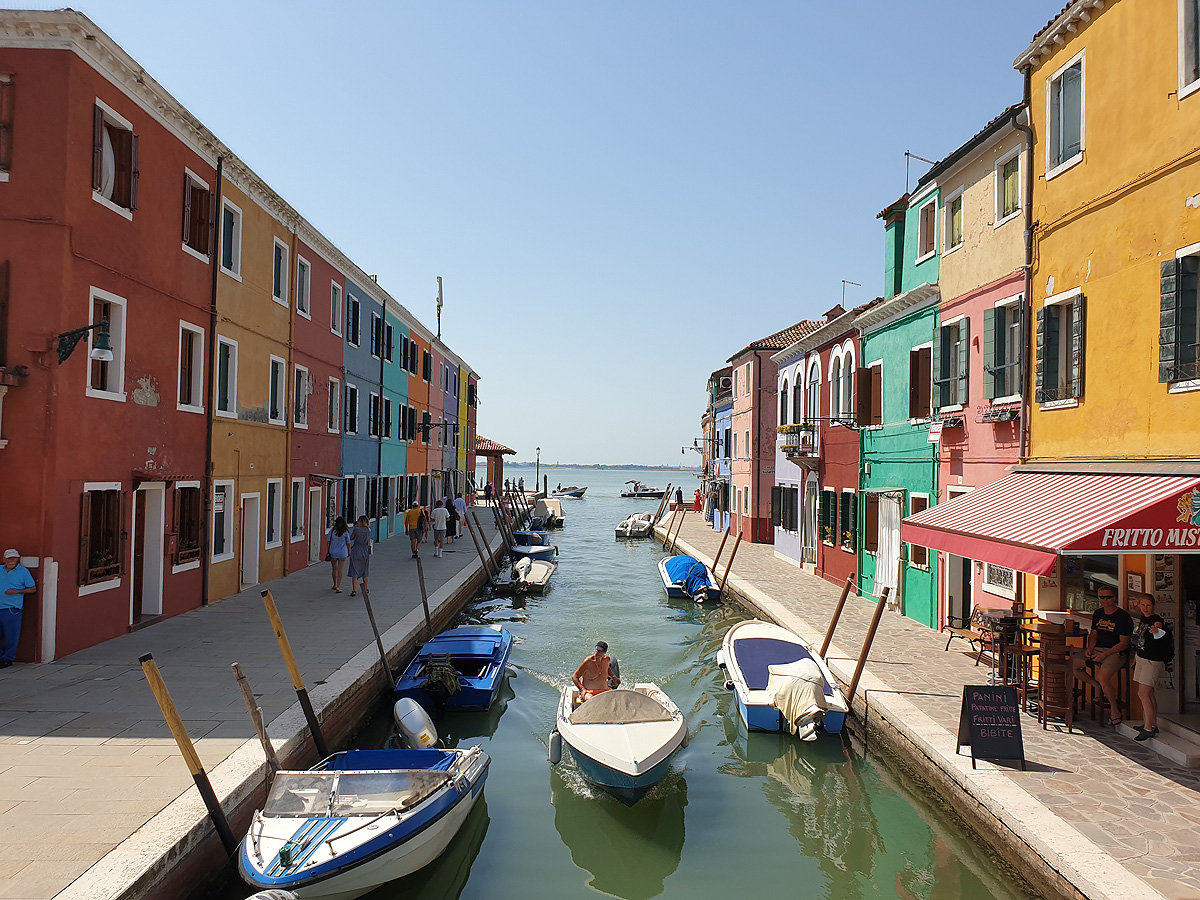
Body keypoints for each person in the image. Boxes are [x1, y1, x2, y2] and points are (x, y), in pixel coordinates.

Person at [1073, 586, 1134, 725]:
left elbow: (1124, 643)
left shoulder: (1123, 617)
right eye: (1102, 597)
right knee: (1073, 664)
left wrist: (1105, 655)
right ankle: (1097, 687)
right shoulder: (1098, 613)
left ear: (1115, 598)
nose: (1105, 600)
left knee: (1103, 676)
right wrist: (1090, 648)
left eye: (1108, 597)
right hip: (1098, 649)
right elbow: (1093, 634)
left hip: (1115, 652)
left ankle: (1114, 710)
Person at [1131, 592, 1170, 741]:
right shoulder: (1143, 618)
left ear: (1153, 606)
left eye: (1148, 605)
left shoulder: (1156, 620)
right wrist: (1135, 657)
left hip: (1152, 661)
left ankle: (1148, 728)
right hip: (1142, 658)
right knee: (1149, 693)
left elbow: (1158, 629)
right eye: (1143, 605)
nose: (1145, 608)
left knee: (1143, 693)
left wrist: (1156, 630)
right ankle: (1152, 723)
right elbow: (1141, 640)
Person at [0, 549, 34, 669]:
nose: (11, 561)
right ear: (4, 559)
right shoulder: (0, 570)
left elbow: (32, 588)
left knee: (11, 635)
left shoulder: (23, 572)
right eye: (9, 558)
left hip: (12, 608)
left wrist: (17, 591)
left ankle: (8, 658)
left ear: (18, 559)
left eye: (14, 558)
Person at [347, 516, 372, 596]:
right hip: (365, 551)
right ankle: (366, 588)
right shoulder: (368, 530)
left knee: (355, 569)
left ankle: (354, 590)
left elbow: (351, 538)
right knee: (365, 570)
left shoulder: (356, 529)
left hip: (356, 550)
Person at [326, 517, 352, 593]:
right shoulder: (345, 532)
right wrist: (349, 551)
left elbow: (328, 542)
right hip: (342, 552)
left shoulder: (332, 531)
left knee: (334, 569)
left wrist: (328, 550)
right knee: (340, 570)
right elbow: (348, 543)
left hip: (333, 552)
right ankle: (338, 586)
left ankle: (334, 584)